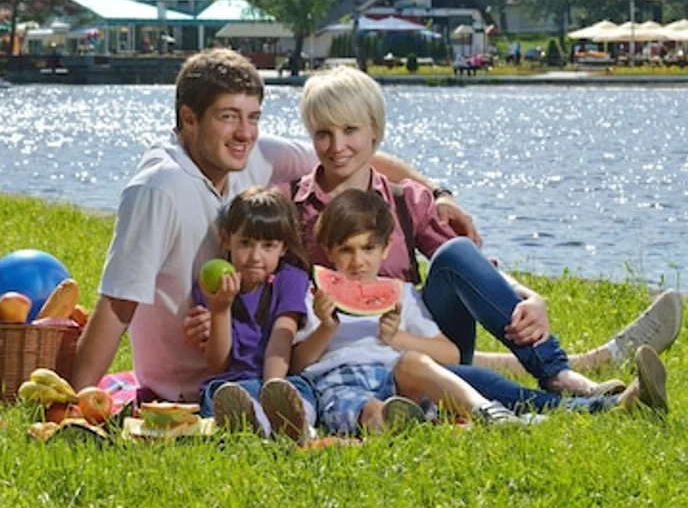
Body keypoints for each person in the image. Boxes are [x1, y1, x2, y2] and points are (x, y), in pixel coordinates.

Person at [71, 49, 480, 403]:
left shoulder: (254, 154)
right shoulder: (158, 188)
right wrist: (74, 398)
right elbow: (118, 302)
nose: (244, 133)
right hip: (189, 384)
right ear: (189, 120)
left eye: (253, 117)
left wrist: (438, 192)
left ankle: (511, 381)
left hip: (266, 358)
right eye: (229, 117)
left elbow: (353, 156)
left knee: (442, 376)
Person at [286, 65, 682, 397]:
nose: (337, 146)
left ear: (375, 132)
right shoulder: (293, 207)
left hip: (424, 337)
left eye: (350, 130)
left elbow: (469, 266)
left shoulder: (408, 201)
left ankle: (557, 372)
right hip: (340, 349)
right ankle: (590, 384)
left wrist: (531, 296)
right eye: (323, 133)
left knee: (455, 251)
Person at [299, 190, 668, 429]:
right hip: (344, 383)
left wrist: (398, 337)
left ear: (384, 250)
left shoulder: (403, 295)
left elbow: (453, 353)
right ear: (328, 252)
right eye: (346, 250)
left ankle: (606, 403)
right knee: (373, 408)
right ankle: (600, 408)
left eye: (367, 249)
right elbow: (296, 365)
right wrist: (325, 329)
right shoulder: (314, 298)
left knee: (481, 382)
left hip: (409, 375)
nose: (358, 261)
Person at [194, 187, 313, 440]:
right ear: (227, 239)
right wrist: (220, 309)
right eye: (245, 244)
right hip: (235, 382)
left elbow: (282, 339)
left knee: (303, 392)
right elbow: (218, 364)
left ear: (283, 248)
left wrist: (273, 389)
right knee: (221, 393)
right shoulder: (212, 283)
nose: (255, 257)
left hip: (280, 377)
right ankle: (259, 423)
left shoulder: (291, 278)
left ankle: (297, 422)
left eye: (268, 246)